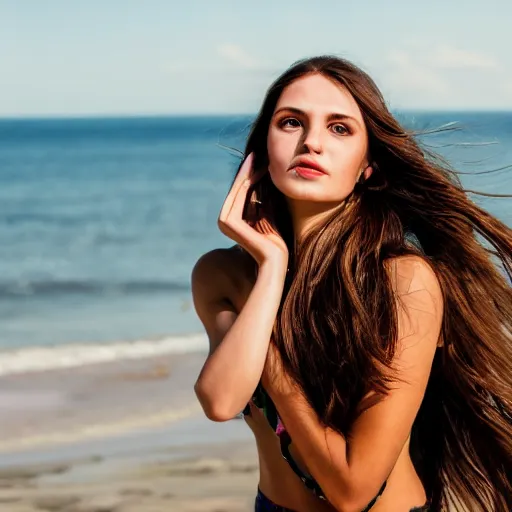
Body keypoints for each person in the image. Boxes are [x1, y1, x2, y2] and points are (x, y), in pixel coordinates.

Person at [191, 56, 512, 512]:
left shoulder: (403, 281)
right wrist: (271, 269)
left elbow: (352, 489)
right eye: (290, 122)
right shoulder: (224, 274)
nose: (312, 142)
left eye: (340, 128)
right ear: (262, 151)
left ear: (369, 167)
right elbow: (222, 401)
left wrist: (266, 338)